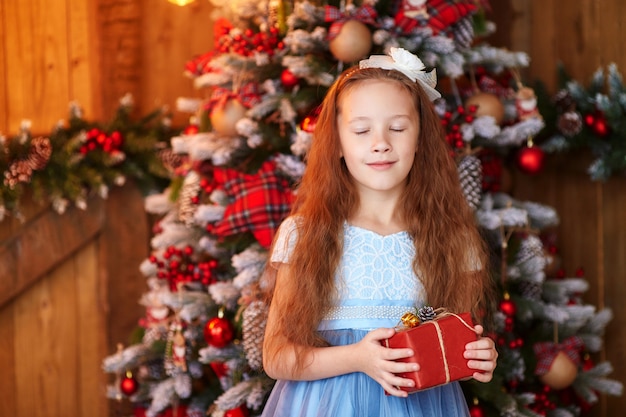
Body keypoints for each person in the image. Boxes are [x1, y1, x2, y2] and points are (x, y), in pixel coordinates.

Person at [260, 47, 498, 417]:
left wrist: (479, 355)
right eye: (361, 129)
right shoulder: (304, 234)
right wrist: (357, 358)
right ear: (337, 142)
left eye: (398, 127)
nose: (381, 142)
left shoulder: (453, 240)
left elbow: (454, 343)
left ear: (420, 139)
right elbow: (276, 357)